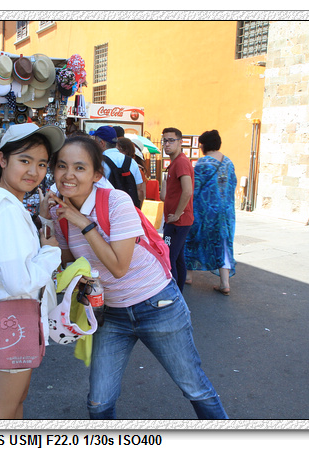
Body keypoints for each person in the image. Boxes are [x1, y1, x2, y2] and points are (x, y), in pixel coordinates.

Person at [44, 135, 228, 420]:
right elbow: (69, 262)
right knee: (98, 402)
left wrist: (83, 223)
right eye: (61, 166)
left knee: (194, 387)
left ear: (96, 174)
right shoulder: (61, 212)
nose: (68, 175)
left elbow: (119, 267)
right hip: (110, 313)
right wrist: (47, 221)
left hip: (157, 305)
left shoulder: (116, 201)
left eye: (80, 168)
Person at [0, 123, 64, 419]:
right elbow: (19, 282)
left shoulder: (4, 204)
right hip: (17, 317)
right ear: (2, 159)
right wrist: (51, 252)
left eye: (42, 164)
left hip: (15, 317)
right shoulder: (6, 211)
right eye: (24, 160)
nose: (34, 171)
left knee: (16, 401)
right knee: (1, 412)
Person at [184, 130, 237, 295]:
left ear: (204, 145)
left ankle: (187, 275)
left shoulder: (203, 163)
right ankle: (225, 283)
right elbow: (233, 185)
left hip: (204, 211)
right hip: (226, 212)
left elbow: (194, 188)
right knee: (223, 243)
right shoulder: (228, 162)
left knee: (192, 239)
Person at [159, 127, 194, 291]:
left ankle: (173, 293)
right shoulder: (175, 163)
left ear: (180, 142)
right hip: (175, 220)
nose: (167, 144)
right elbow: (166, 196)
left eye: (171, 140)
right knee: (177, 258)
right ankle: (178, 293)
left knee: (169, 258)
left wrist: (177, 214)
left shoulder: (180, 162)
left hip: (178, 222)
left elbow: (188, 191)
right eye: (164, 140)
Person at [90, 125, 144, 208]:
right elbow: (139, 189)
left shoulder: (99, 162)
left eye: (96, 142)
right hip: (128, 208)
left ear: (102, 143)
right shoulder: (131, 162)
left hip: (106, 208)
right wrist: (137, 209)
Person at [116, 137, 147, 207]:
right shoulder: (136, 167)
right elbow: (142, 192)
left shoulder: (136, 168)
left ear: (123, 150)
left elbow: (141, 191)